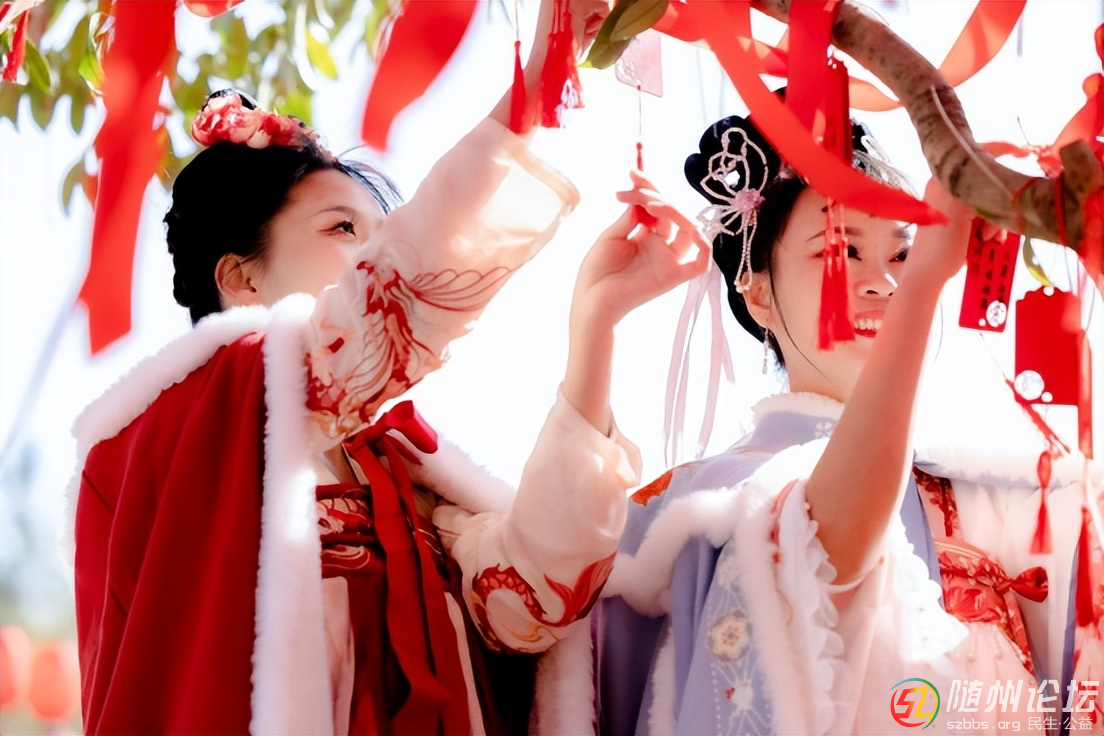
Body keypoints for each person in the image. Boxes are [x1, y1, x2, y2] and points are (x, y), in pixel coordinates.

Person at [65, 1, 710, 731]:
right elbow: (380, 308)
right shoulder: (179, 428)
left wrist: (596, 319)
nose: (375, 253)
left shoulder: (408, 471)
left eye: (382, 235)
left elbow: (530, 604)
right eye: (344, 229)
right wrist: (531, 90)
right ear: (240, 278)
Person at [532, 113, 1102, 735]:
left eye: (901, 253)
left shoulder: (993, 499)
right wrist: (923, 282)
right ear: (758, 294)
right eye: (841, 250)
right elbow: (825, 541)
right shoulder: (712, 502)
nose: (883, 282)